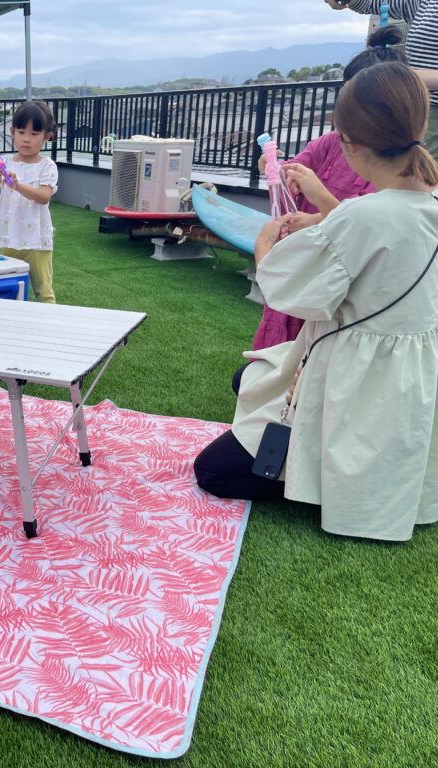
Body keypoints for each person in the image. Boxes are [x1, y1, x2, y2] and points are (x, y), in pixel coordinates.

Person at [193, 62, 438, 541]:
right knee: (248, 378)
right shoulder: (424, 204)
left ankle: (314, 481)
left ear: (350, 142)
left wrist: (265, 246)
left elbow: (292, 291)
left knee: (214, 471)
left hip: (351, 372)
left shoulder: (362, 216)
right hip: (412, 376)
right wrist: (325, 221)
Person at [250, 26, 406, 350]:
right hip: (307, 261)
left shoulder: (391, 172)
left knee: (313, 341)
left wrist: (314, 211)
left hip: (336, 280)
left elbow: (366, 226)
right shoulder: (331, 142)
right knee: (285, 339)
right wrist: (277, 167)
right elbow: (296, 170)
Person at [324, 0, 438, 155]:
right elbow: (374, 3)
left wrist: (404, 77)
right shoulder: (425, 3)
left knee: (417, 167)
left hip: (429, 113)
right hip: (410, 108)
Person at [0, 100, 59, 303]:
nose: (26, 139)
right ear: (12, 132)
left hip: (37, 240)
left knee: (44, 292)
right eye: (21, 132)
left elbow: (44, 197)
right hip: (9, 236)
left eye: (34, 134)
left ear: (47, 136)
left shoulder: (47, 166)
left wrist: (18, 186)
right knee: (8, 287)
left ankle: (48, 321)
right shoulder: (4, 163)